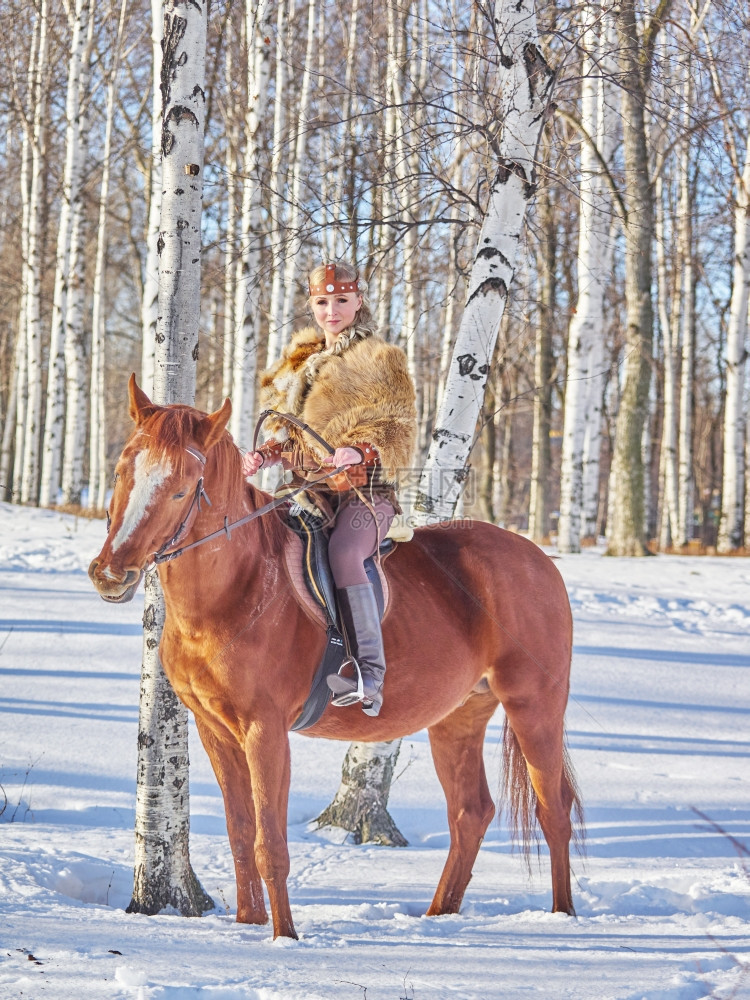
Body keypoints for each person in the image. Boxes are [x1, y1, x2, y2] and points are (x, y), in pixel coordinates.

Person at [242, 262, 417, 717]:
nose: (331, 310)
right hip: (308, 493)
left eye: (341, 300)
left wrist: (359, 451)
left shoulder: (382, 360)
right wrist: (264, 455)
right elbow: (287, 433)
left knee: (344, 553)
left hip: (364, 496)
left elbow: (397, 428)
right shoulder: (299, 363)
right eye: (322, 301)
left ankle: (370, 675)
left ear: (358, 302)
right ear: (312, 305)